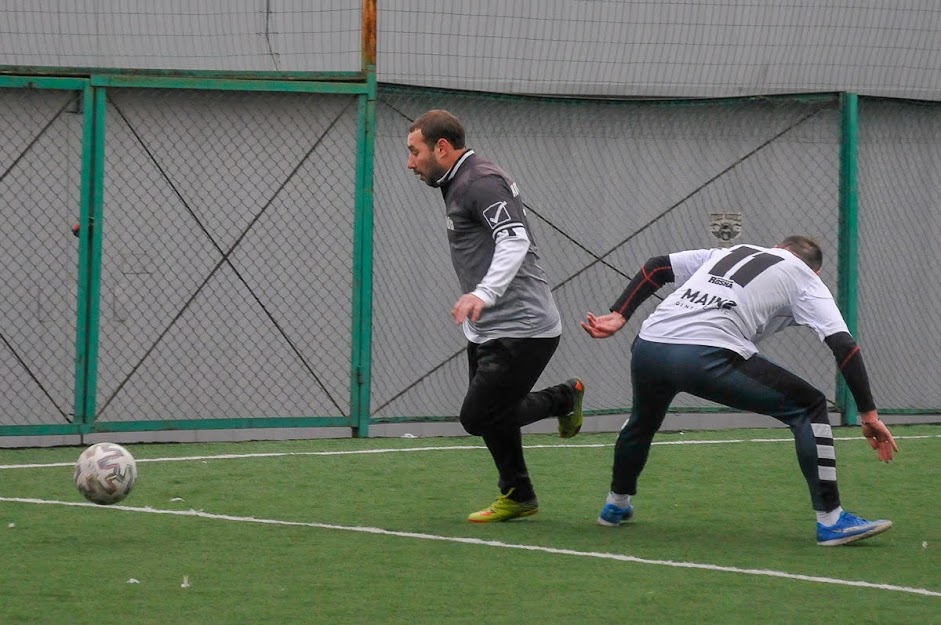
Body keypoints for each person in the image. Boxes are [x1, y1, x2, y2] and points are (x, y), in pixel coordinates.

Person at [581, 235, 899, 546]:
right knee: (809, 406)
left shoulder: (734, 251)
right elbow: (844, 346)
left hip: (650, 345)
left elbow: (656, 267)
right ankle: (831, 520)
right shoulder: (807, 278)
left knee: (642, 420)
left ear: (775, 248)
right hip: (703, 356)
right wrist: (868, 415)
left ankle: (616, 504)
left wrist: (621, 312)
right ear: (816, 271)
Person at [406, 109, 584, 523]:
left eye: (415, 152)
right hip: (490, 326)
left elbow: (514, 240)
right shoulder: (457, 182)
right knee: (493, 415)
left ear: (442, 148)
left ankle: (563, 397)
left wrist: (483, 293)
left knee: (479, 416)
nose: (410, 163)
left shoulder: (479, 181)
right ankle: (518, 495)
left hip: (525, 327)